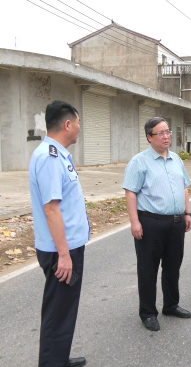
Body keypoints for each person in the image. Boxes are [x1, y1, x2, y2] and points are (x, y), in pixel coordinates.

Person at [29, 101, 89, 367]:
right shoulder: (50, 157)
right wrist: (64, 256)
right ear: (67, 124)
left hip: (66, 246)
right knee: (57, 313)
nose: (79, 129)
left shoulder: (58, 154)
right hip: (60, 250)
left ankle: (59, 358)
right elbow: (52, 209)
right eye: (78, 123)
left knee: (64, 310)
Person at [123, 117, 191, 332]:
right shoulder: (139, 162)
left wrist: (187, 213)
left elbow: (184, 188)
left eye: (167, 132)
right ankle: (148, 312)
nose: (166, 136)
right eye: (160, 133)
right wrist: (135, 222)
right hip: (151, 223)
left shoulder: (177, 159)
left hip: (176, 223)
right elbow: (131, 192)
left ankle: (171, 305)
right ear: (149, 137)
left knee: (173, 267)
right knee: (147, 270)